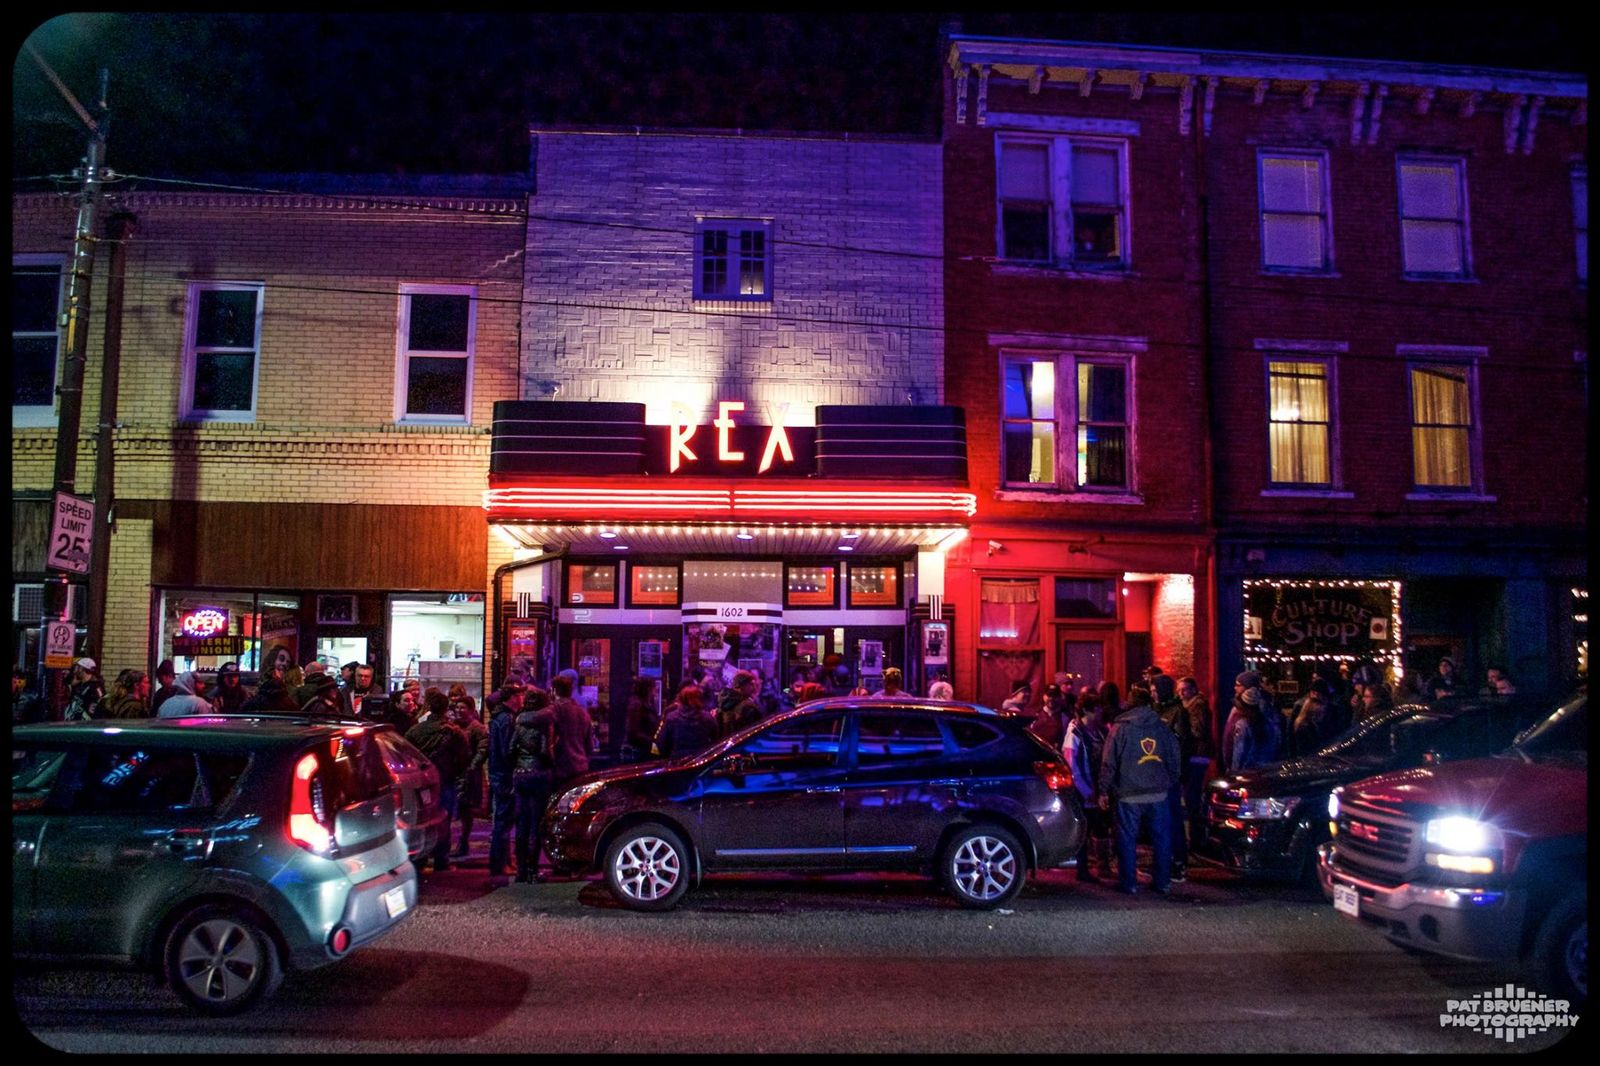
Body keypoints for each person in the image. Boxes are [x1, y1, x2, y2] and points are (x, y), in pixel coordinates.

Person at [1099, 680, 1181, 896]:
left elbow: (1109, 762)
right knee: (1161, 838)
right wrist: (1170, 780)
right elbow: (1174, 757)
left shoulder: (1120, 728)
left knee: (1127, 839)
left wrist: (1103, 789)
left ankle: (1129, 883)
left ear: (1129, 705)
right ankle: (1162, 882)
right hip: (1158, 792)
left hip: (1128, 793)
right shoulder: (1161, 727)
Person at [407, 690, 470, 874]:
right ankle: (441, 860)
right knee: (443, 820)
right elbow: (464, 756)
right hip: (444, 779)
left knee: (421, 821)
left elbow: (406, 752)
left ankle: (420, 859)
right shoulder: (453, 732)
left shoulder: (415, 730)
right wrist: (456, 772)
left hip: (421, 782)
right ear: (446, 708)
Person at [1062, 691, 1110, 882]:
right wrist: (1085, 790)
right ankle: (1083, 869)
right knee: (1086, 829)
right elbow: (1072, 765)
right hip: (1084, 791)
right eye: (1097, 709)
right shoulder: (1075, 733)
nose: (1100, 712)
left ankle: (1102, 865)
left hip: (1098, 788)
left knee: (1100, 827)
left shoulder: (1099, 731)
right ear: (1087, 711)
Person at [509, 687, 555, 882]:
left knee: (522, 823)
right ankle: (532, 870)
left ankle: (520, 871)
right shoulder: (544, 725)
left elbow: (511, 748)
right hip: (538, 774)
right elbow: (545, 752)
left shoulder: (519, 723)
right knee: (536, 823)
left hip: (520, 774)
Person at [1150, 673, 1192, 882]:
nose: (1153, 694)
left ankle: (1178, 862)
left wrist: (1176, 773)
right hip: (1156, 773)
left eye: (1155, 690)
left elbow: (1182, 745)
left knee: (1172, 818)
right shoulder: (1157, 710)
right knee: (1159, 819)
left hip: (1169, 775)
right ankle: (1162, 861)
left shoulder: (1177, 712)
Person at [485, 682, 528, 879]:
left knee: (502, 820)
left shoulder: (499, 717)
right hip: (504, 776)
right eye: (520, 696)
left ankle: (502, 862)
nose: (522, 699)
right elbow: (506, 750)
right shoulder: (507, 720)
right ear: (512, 698)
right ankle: (499, 864)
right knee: (503, 821)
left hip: (498, 774)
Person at [449, 690, 488, 858]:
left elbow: (482, 749)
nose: (459, 710)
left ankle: (463, 842)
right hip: (455, 772)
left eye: (463, 707)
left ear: (471, 710)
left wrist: (471, 767)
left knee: (466, 810)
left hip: (469, 774)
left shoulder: (477, 728)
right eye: (457, 707)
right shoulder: (453, 726)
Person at [545, 672, 594, 789]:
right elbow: (589, 745)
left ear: (554, 691)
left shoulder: (555, 709)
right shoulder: (583, 712)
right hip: (581, 767)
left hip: (562, 768)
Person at [654, 684, 718, 759]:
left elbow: (661, 744)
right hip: (700, 759)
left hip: (677, 761)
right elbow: (716, 742)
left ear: (681, 699)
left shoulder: (671, 718)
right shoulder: (708, 718)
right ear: (700, 698)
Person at [1229, 687, 1281, 772]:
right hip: (1268, 771)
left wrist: (1234, 773)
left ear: (1245, 708)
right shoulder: (1272, 725)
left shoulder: (1243, 726)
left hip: (1248, 772)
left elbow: (1239, 754)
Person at [622, 677, 661, 762]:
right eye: (654, 688)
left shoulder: (649, 704)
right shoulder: (637, 705)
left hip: (644, 749)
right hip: (638, 751)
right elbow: (633, 732)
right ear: (647, 689)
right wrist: (653, 742)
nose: (655, 691)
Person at [716, 670, 762, 737]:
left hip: (726, 741)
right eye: (750, 684)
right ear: (742, 685)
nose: (753, 688)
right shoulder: (748, 706)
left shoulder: (724, 701)